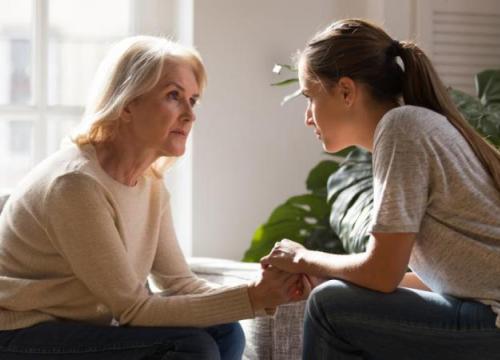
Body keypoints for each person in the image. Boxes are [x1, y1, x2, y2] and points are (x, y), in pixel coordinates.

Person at [0, 36, 309, 360]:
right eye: (173, 96)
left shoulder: (149, 185)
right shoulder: (75, 185)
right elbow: (133, 308)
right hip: (18, 333)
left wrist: (264, 292)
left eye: (193, 99)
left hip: (75, 326)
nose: (190, 115)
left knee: (224, 329)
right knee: (191, 347)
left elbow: (180, 284)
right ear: (127, 104)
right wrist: (252, 296)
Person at [261, 19, 500, 359]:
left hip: (492, 321)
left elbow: (382, 273)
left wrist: (303, 257)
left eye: (309, 97)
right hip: (485, 315)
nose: (308, 117)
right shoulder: (414, 125)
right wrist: (324, 271)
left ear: (346, 91)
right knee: (336, 296)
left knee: (330, 307)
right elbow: (426, 281)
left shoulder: (401, 129)